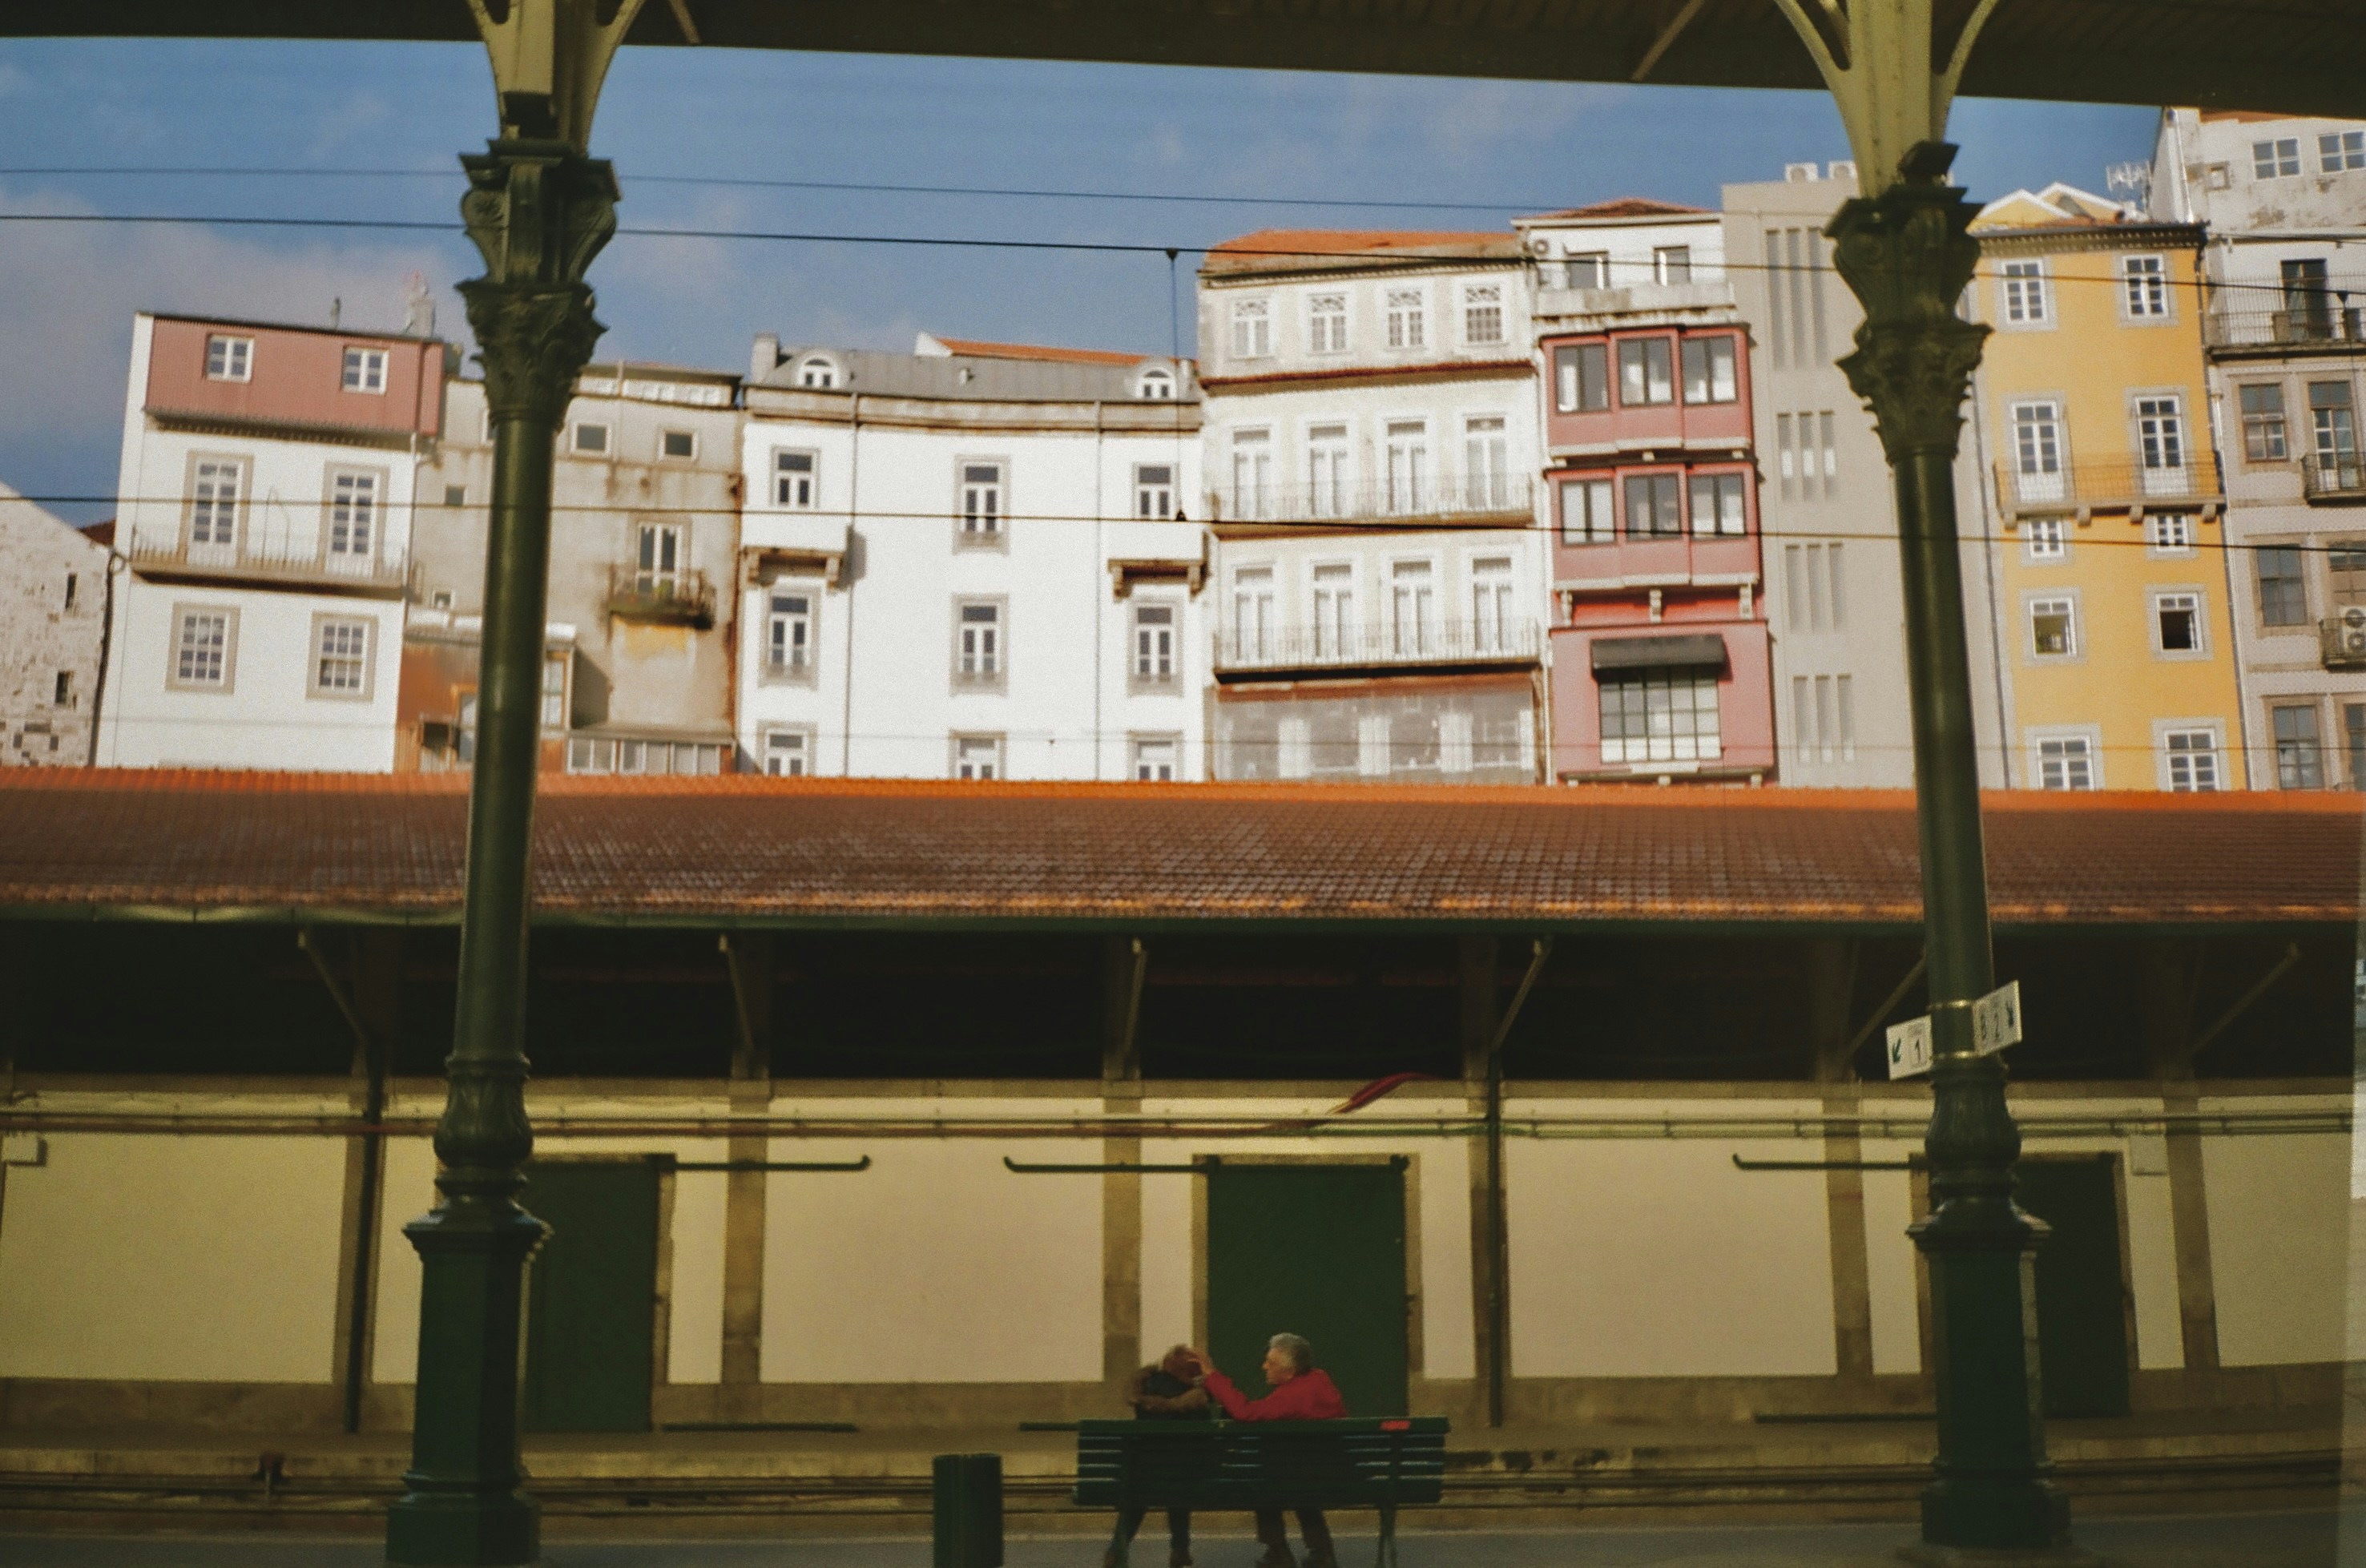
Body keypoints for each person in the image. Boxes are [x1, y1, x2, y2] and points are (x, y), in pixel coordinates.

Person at [1183, 1334, 1343, 1568]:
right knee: (1298, 1480)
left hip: (1307, 1476)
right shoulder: (1319, 1380)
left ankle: (1277, 1551)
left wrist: (1211, 1375)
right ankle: (1321, 1551)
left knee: (1264, 1483)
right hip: (1332, 1473)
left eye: (1271, 1362)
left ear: (1289, 1371)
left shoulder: (1292, 1396)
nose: (1264, 1366)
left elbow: (1244, 1413)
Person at [1105, 1344, 1209, 1568]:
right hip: (1185, 1476)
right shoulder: (1197, 1402)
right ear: (1188, 1373)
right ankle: (1180, 1549)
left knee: (1140, 1491)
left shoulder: (1144, 1396)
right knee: (1178, 1485)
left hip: (1142, 1475)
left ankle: (1117, 1550)